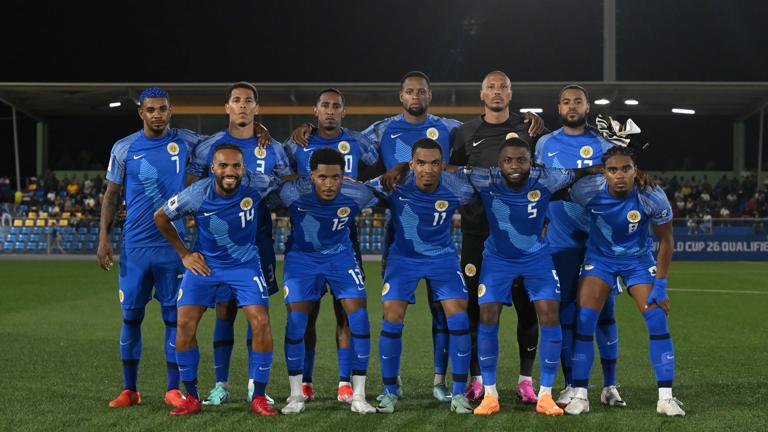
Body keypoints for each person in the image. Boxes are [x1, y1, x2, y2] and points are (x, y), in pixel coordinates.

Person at [462, 138, 600, 416]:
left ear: (531, 162)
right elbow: (447, 169)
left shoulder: (546, 178)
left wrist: (608, 168)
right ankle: (490, 394)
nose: (514, 166)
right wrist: (403, 166)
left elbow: (580, 171)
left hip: (536, 258)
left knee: (549, 315)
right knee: (487, 317)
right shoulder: (486, 179)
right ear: (499, 164)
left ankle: (545, 395)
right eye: (508, 161)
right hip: (497, 259)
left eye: (521, 160)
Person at [154, 144, 282, 416]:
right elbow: (161, 217)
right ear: (213, 168)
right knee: (184, 324)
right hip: (206, 265)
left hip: (245, 265)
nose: (230, 171)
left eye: (236, 166)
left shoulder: (258, 184)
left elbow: (288, 185)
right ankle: (192, 396)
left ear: (243, 168)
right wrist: (185, 255)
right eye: (223, 165)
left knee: (260, 321)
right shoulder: (198, 193)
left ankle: (258, 396)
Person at [97, 87, 205, 408]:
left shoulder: (186, 141)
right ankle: (130, 390)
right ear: (141, 113)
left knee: (174, 320)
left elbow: (227, 141)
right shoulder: (124, 148)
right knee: (131, 318)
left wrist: (260, 129)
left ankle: (173, 388)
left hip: (173, 247)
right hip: (136, 247)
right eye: (151, 110)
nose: (157, 114)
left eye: (163, 109)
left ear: (171, 111)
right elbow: (111, 196)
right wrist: (103, 238)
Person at [187, 81, 291, 405]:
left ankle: (253, 385)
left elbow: (286, 186)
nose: (243, 105)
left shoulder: (271, 146)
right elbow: (192, 186)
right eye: (236, 100)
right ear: (227, 107)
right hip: (216, 241)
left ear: (256, 108)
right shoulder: (209, 147)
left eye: (249, 101)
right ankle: (221, 384)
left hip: (258, 238)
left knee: (256, 311)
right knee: (223, 311)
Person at [564, 146, 684, 417]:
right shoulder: (587, 189)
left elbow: (666, 239)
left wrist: (661, 284)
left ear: (636, 171)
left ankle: (665, 398)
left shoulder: (652, 195)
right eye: (612, 169)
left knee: (657, 319)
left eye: (626, 169)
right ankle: (580, 395)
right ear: (604, 173)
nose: (620, 175)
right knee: (584, 321)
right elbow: (557, 190)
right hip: (600, 259)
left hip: (638, 262)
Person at [448, 70, 545, 404]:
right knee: (475, 308)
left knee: (526, 309)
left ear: (511, 92)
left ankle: (525, 380)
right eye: (491, 87)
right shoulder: (464, 134)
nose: (497, 92)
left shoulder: (529, 129)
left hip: (520, 237)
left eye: (503, 86)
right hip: (478, 233)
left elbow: (542, 177)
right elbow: (452, 177)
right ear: (481, 94)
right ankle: (477, 379)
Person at [282, 88, 379, 402]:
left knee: (347, 314)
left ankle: (345, 383)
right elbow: (277, 175)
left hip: (343, 235)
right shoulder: (297, 142)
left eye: (336, 106)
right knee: (304, 316)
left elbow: (377, 164)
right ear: (315, 110)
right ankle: (305, 383)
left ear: (344, 111)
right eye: (325, 106)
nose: (331, 111)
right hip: (305, 239)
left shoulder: (358, 142)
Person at [367, 138, 476, 414]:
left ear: (443, 166)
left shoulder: (457, 188)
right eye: (422, 163)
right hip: (404, 259)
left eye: (435, 163)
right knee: (392, 315)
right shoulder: (394, 185)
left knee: (459, 316)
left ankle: (459, 393)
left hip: (442, 257)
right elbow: (354, 191)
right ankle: (390, 391)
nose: (428, 169)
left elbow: (487, 189)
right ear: (412, 164)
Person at [534, 85, 624, 407]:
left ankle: (610, 385)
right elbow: (539, 186)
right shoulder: (545, 143)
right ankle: (573, 384)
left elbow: (619, 186)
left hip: (599, 242)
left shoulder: (604, 144)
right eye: (566, 101)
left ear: (587, 107)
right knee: (565, 313)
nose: (572, 106)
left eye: (578, 101)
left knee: (605, 313)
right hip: (559, 243)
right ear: (558, 108)